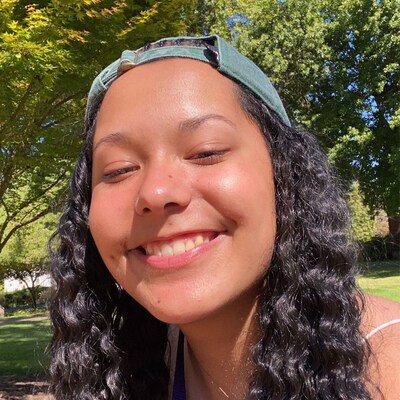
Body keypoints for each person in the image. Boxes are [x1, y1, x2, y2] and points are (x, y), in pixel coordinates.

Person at [49, 35, 400, 400]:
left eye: (206, 152)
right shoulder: (133, 369)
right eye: (119, 169)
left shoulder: (388, 370)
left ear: (286, 174)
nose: (155, 192)